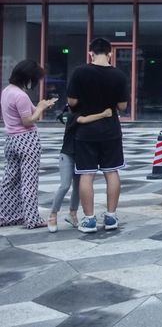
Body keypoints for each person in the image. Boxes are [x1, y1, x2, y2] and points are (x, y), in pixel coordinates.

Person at [67, 37, 129, 233]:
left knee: (87, 173)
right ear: (110, 53)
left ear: (90, 53)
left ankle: (89, 219)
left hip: (86, 130)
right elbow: (122, 106)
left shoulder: (79, 72)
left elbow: (72, 102)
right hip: (111, 129)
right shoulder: (119, 75)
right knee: (112, 171)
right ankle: (111, 217)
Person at [0, 60, 57, 229]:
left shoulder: (7, 91)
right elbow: (28, 121)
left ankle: (7, 215)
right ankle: (32, 219)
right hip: (26, 141)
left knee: (9, 180)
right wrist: (40, 109)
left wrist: (42, 105)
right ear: (27, 77)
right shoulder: (20, 95)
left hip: (10, 140)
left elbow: (29, 111)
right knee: (29, 182)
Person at [48, 105, 114, 233]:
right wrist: (103, 114)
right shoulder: (71, 115)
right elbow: (83, 120)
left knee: (79, 187)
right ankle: (53, 215)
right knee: (65, 185)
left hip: (81, 155)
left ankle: (72, 214)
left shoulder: (84, 115)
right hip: (67, 155)